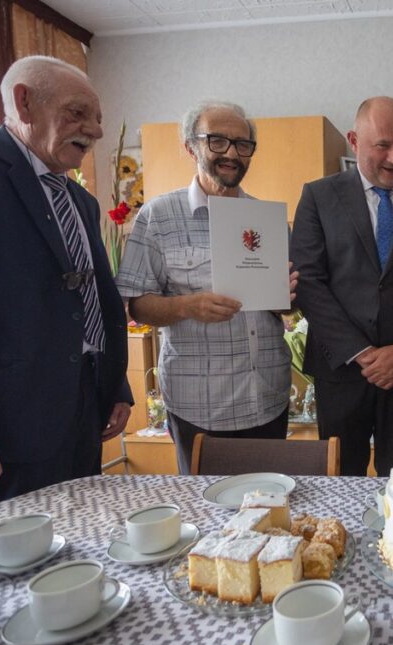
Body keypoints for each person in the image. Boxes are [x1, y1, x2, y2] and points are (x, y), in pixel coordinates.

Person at [0, 56, 131, 508]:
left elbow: (97, 302)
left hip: (83, 413)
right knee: (16, 565)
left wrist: (114, 386)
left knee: (82, 540)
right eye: (77, 113)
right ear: (24, 102)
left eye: (97, 118)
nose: (95, 130)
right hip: (7, 431)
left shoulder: (81, 201)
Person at [116, 101, 298, 474]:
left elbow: (286, 309)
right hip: (199, 405)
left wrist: (287, 297)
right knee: (208, 514)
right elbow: (136, 305)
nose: (231, 153)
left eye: (242, 144)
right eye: (217, 141)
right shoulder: (158, 216)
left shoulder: (269, 220)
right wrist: (187, 306)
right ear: (190, 146)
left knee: (269, 506)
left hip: (267, 396)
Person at [290, 97, 393, 477]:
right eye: (383, 145)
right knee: (340, 476)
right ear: (354, 140)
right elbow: (309, 281)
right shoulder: (318, 197)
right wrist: (362, 353)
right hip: (342, 370)